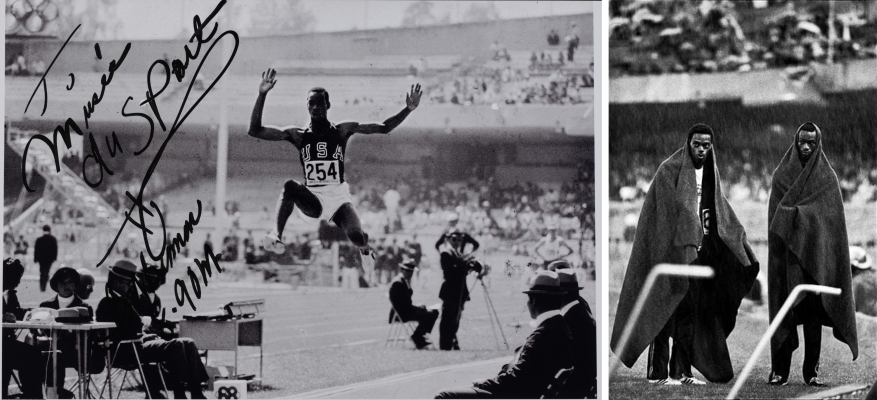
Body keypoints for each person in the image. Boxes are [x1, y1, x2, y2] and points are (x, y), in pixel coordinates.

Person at [610, 123, 759, 385]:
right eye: (697, 144)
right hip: (672, 253)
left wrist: (735, 240)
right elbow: (663, 215)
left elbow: (719, 210)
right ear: (688, 143)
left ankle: (681, 371)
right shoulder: (669, 170)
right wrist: (680, 240)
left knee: (690, 313)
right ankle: (658, 373)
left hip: (698, 258)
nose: (701, 150)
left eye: (706, 145)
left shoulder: (712, 173)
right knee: (664, 310)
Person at [248, 68, 422, 263]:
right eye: (311, 103)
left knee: (357, 237)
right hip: (313, 199)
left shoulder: (342, 130)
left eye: (320, 103)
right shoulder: (297, 134)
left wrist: (408, 109)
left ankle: (365, 250)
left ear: (328, 105)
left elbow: (384, 127)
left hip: (339, 198)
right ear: (307, 106)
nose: (315, 108)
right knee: (289, 186)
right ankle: (276, 234)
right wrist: (262, 94)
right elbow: (255, 131)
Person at [767, 122, 858, 386]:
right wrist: (798, 216)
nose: (806, 147)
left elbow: (831, 223)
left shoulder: (827, 179)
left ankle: (811, 372)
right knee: (785, 311)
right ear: (795, 143)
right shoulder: (781, 176)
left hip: (816, 259)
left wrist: (801, 218)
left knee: (813, 317)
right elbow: (775, 219)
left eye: (811, 142)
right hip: (787, 259)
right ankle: (780, 370)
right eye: (802, 142)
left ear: (818, 145)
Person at [434, 271, 573, 398]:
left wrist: (484, 383)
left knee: (445, 396)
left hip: (512, 395)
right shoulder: (559, 327)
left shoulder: (544, 334)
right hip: (525, 392)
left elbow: (514, 379)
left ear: (533, 300)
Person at [96, 259, 209, 399]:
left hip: (136, 344)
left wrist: (146, 332)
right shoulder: (108, 302)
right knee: (177, 345)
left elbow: (134, 327)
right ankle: (180, 393)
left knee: (188, 343)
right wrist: (145, 330)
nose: (132, 286)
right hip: (124, 351)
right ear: (117, 282)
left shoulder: (122, 298)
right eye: (129, 283)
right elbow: (124, 332)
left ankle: (196, 391)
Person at [40, 267, 94, 398]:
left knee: (55, 355)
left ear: (75, 285)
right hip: (49, 351)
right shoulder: (45, 305)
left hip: (76, 354)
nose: (66, 286)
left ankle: (54, 394)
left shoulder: (85, 307)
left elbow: (89, 336)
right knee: (44, 355)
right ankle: (51, 394)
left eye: (69, 282)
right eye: (62, 283)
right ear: (56, 286)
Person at [2, 258, 46, 399]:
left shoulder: (10, 295)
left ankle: (32, 396)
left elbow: (17, 312)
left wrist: (34, 313)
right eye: (14, 278)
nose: (18, 282)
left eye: (19, 278)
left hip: (7, 344)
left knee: (34, 354)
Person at [556, 267, 597, 398]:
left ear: (562, 294)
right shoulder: (579, 310)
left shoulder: (569, 320)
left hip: (574, 389)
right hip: (584, 383)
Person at [438, 229, 482, 350]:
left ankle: (451, 341)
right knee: (448, 318)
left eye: (460, 240)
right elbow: (450, 272)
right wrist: (465, 262)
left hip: (459, 290)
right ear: (448, 239)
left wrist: (472, 265)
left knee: (456, 317)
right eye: (454, 239)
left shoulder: (458, 253)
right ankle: (445, 345)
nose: (457, 242)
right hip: (450, 290)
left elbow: (461, 267)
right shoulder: (445, 253)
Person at [388, 257, 439, 349]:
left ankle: (419, 335)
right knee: (430, 314)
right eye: (407, 271)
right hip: (401, 314)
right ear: (402, 270)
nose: (410, 273)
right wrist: (417, 308)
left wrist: (418, 307)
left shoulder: (404, 281)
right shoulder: (398, 283)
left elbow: (406, 303)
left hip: (407, 310)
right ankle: (417, 337)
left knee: (434, 312)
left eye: (411, 271)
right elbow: (401, 305)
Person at [34, 224, 58, 292]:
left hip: (41, 259)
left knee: (41, 272)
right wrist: (54, 258)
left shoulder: (39, 239)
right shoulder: (53, 239)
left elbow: (36, 250)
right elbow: (55, 250)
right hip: (49, 259)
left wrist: (35, 259)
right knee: (47, 271)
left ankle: (42, 286)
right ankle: (44, 286)